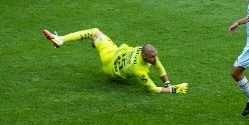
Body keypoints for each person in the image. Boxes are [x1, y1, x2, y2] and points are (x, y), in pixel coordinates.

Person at [43, 28, 188, 94]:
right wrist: (174, 89)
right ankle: (60, 40)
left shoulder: (143, 51)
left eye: (155, 55)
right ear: (145, 57)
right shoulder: (139, 70)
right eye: (152, 57)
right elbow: (152, 89)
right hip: (110, 66)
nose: (155, 59)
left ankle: (61, 39)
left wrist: (167, 82)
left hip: (113, 52)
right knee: (94, 33)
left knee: (94, 33)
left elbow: (158, 65)